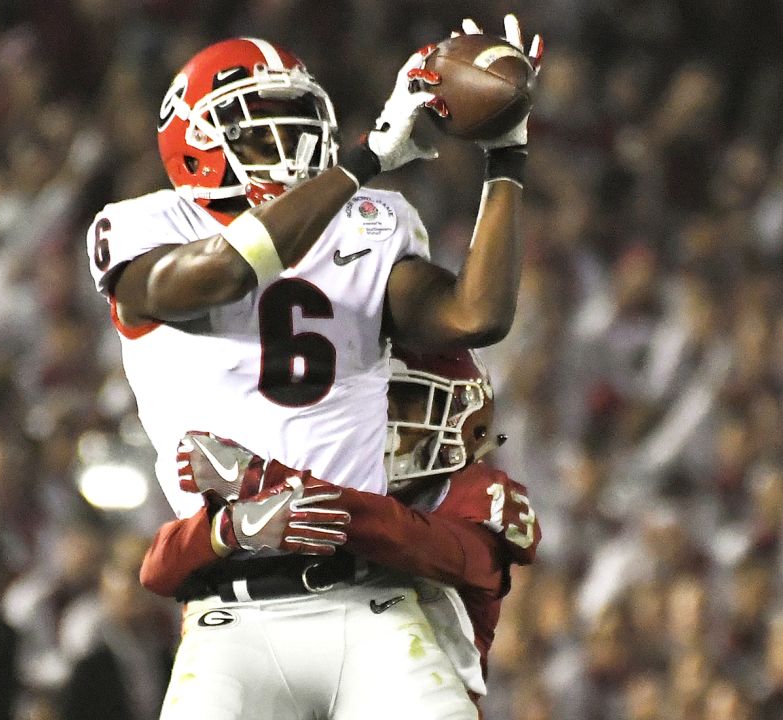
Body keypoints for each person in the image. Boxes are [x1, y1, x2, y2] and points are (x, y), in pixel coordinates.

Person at [85, 16, 543, 520]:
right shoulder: (146, 223)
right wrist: (362, 161)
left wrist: (505, 155)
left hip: (364, 557)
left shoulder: (370, 219)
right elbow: (226, 272)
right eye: (263, 131)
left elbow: (475, 317)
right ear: (195, 144)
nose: (292, 144)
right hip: (230, 567)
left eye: (300, 122)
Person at [137, 348, 541, 719]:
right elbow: (157, 570)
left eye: (403, 402)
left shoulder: (477, 497)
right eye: (372, 404)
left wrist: (265, 480)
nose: (382, 422)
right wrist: (228, 528)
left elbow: (407, 539)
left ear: (463, 421)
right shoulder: (314, 475)